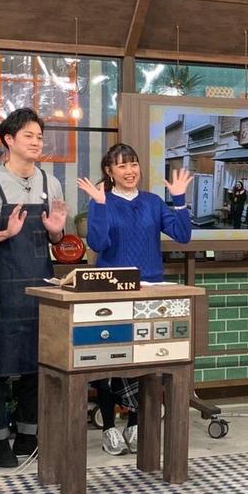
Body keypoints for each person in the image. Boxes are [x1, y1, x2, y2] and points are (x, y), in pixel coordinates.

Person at [77, 143, 192, 455]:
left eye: (133, 164)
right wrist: (100, 205)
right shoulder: (102, 200)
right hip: (112, 291)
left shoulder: (152, 202)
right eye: (122, 165)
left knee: (145, 358)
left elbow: (183, 236)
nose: (130, 171)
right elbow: (98, 243)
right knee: (108, 360)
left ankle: (136, 423)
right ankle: (109, 428)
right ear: (109, 171)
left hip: (150, 289)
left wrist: (179, 199)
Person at [0, 109, 67, 468]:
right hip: (3, 289)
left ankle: (28, 435)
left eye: (39, 136)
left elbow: (57, 240)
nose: (37, 142)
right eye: (29, 135)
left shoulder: (50, 183)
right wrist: (6, 233)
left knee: (35, 363)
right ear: (8, 140)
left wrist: (56, 232)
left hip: (41, 285)